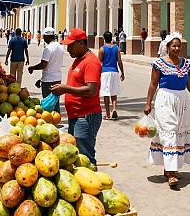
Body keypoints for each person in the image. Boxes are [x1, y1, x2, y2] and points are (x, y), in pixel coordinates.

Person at [145, 32, 190, 188]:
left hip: (182, 101)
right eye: (174, 46)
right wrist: (148, 103)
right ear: (168, 47)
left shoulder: (185, 64)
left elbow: (189, 82)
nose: (177, 48)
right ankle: (171, 173)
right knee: (169, 131)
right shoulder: (159, 64)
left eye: (179, 46)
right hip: (165, 100)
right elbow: (153, 84)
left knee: (178, 133)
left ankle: (169, 168)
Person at [51, 28, 102, 165]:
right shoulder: (79, 59)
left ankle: (92, 182)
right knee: (74, 154)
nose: (68, 49)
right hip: (76, 115)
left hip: (85, 117)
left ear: (81, 43)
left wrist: (65, 88)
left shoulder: (91, 62)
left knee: (84, 157)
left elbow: (92, 90)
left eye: (71, 45)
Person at [28, 27, 64, 112]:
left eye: (44, 36)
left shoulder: (48, 48)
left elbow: (44, 64)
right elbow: (52, 65)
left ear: (47, 37)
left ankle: (50, 122)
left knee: (48, 105)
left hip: (48, 81)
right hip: (57, 78)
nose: (43, 38)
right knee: (55, 102)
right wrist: (41, 79)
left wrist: (32, 68)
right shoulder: (60, 46)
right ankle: (56, 121)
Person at [99, 30, 125, 120]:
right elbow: (120, 61)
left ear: (104, 38)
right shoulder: (116, 48)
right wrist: (122, 73)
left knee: (106, 93)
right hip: (115, 71)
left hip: (105, 72)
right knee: (113, 92)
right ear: (111, 38)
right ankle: (114, 109)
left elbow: (99, 63)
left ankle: (107, 114)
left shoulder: (102, 49)